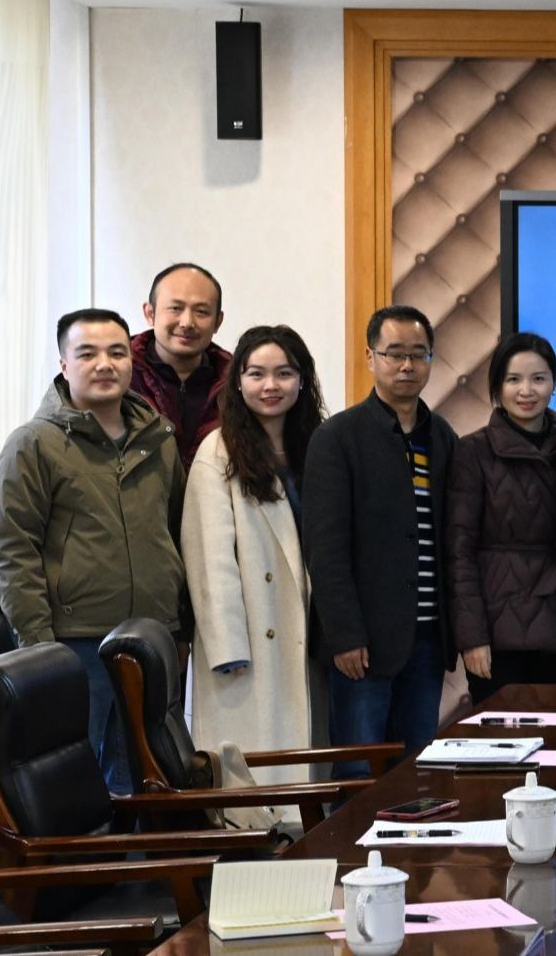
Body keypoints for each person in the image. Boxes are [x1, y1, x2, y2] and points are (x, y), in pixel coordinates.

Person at [0, 308, 184, 795]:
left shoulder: (158, 439)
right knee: (77, 786)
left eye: (117, 352)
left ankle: (136, 851)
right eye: (87, 353)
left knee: (145, 778)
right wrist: (39, 646)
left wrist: (180, 624)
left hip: (151, 635)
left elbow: (175, 530)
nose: (104, 364)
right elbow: (13, 551)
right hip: (74, 642)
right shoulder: (33, 444)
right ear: (63, 364)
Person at [303, 305, 458, 771]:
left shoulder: (442, 437)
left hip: (427, 638)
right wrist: (345, 636)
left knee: (416, 770)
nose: (407, 365)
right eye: (394, 354)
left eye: (418, 354)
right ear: (371, 357)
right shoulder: (337, 437)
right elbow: (325, 549)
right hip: (363, 644)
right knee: (357, 769)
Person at [183, 325, 325, 785]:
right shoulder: (217, 451)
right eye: (256, 373)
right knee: (256, 773)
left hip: (311, 632)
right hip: (251, 638)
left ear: (302, 380)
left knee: (308, 766)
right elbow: (211, 561)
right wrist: (227, 647)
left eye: (284, 373)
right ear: (237, 382)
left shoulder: (319, 445)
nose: (270, 385)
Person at [449, 332, 556, 706]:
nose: (526, 390)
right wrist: (472, 638)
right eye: (513, 379)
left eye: (539, 378)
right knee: (498, 736)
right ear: (497, 388)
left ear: (553, 384)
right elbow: (459, 551)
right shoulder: (473, 451)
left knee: (555, 733)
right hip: (496, 631)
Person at [130, 262, 231, 469]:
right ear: (150, 313)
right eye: (175, 308)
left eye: (201, 311)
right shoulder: (120, 375)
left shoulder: (237, 381)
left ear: (218, 321)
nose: (187, 322)